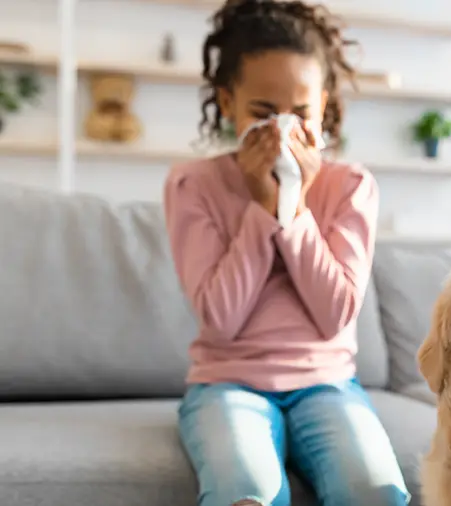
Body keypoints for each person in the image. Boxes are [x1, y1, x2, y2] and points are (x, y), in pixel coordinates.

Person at [162, 1, 409, 505]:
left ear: (325, 107)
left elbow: (335, 312)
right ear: (227, 102)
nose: (281, 131)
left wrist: (292, 209)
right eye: (261, 112)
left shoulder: (350, 186)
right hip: (227, 384)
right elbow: (220, 319)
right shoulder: (193, 184)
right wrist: (261, 208)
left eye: (301, 114)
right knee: (245, 492)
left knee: (374, 492)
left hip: (329, 384)